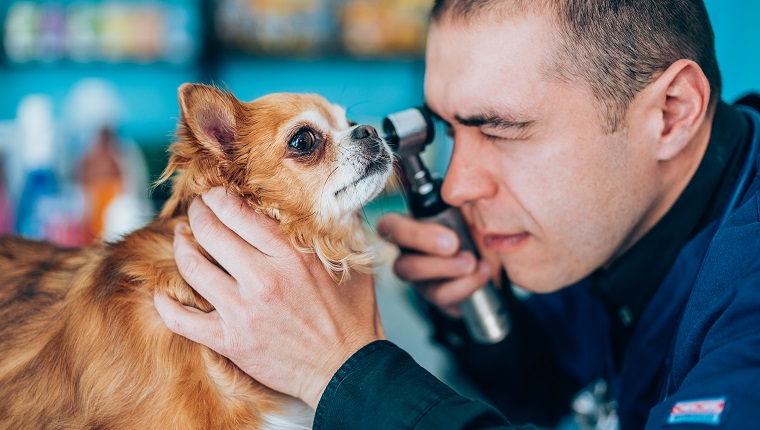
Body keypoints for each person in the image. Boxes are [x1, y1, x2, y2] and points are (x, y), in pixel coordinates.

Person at [153, 0, 760, 428]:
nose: (459, 184)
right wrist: (491, 327)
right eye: (447, 130)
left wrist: (344, 372)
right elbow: (569, 399)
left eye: (500, 130)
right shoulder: (614, 226)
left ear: (672, 112)